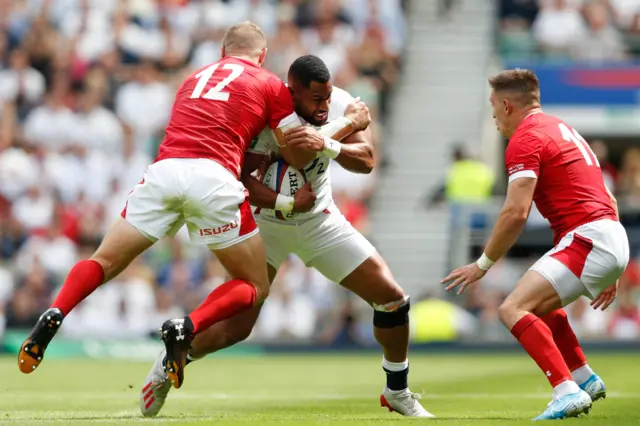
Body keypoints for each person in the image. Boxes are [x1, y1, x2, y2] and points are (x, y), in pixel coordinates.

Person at [140, 55, 435, 419]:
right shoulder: (264, 111)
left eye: (327, 98)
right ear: (291, 93)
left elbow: (367, 160)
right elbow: (242, 180)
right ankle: (169, 361)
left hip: (319, 219)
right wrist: (286, 201)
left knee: (391, 299)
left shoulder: (341, 103)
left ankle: (397, 390)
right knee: (237, 329)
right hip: (267, 224)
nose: (325, 107)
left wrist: (331, 144)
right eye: (316, 100)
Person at [18, 22, 306, 391]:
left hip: (164, 171)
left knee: (103, 261)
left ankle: (57, 309)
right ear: (262, 55)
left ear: (222, 51)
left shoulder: (192, 79)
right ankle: (187, 326)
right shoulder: (268, 82)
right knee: (253, 284)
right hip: (214, 177)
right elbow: (293, 146)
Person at [442, 69, 629, 420]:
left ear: (507, 105)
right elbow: (607, 196)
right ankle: (583, 378)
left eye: (494, 106)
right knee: (539, 305)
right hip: (608, 234)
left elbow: (516, 212)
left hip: (588, 238)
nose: (494, 115)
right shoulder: (564, 129)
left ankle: (565, 390)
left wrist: (481, 265)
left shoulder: (525, 139)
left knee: (512, 309)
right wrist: (613, 264)